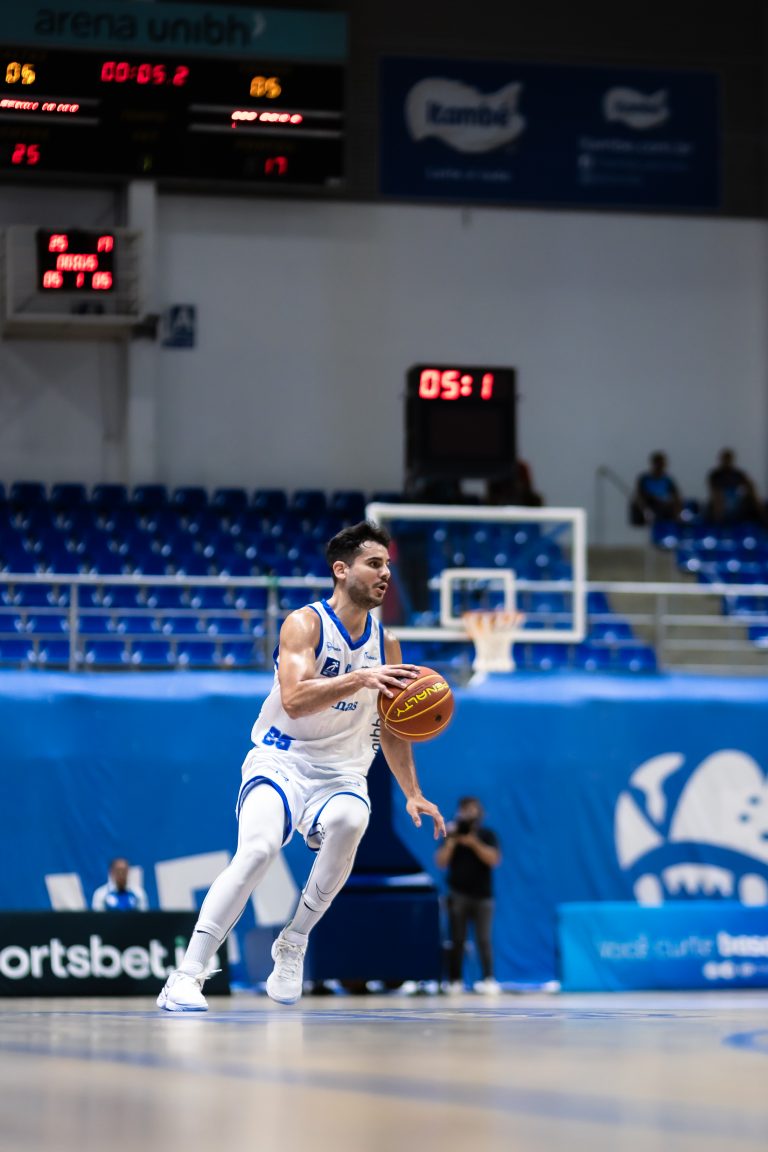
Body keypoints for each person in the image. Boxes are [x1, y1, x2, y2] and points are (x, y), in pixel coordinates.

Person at [157, 520, 446, 1012]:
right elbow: (293, 699)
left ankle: (293, 942)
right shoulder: (304, 624)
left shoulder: (388, 644)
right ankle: (187, 975)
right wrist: (361, 678)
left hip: (342, 771)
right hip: (281, 758)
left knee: (351, 819)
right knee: (257, 851)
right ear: (341, 570)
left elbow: (395, 729)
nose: (385, 574)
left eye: (388, 566)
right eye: (374, 563)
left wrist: (413, 792)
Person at [435, 796, 501, 995]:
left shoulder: (487, 835)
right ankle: (455, 980)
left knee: (484, 939)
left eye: (474, 810)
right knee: (457, 939)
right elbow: (441, 862)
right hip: (458, 894)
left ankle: (488, 979)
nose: (470, 814)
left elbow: (494, 860)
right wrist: (452, 841)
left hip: (483, 896)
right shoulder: (452, 834)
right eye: (466, 811)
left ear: (480, 813)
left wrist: (473, 843)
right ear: (459, 813)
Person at [707, 448, 766, 525]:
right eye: (725, 459)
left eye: (729, 459)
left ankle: (763, 521)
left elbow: (750, 486)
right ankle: (719, 524)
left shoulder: (738, 474)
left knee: (753, 499)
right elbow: (714, 491)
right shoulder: (716, 475)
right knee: (718, 499)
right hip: (721, 501)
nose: (727, 461)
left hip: (737, 501)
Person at [631, 451, 682, 524]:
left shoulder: (667, 479)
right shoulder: (645, 479)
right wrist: (645, 509)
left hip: (664, 505)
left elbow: (676, 495)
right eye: (658, 464)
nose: (660, 466)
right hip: (650, 504)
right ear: (654, 464)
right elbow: (639, 495)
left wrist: (677, 510)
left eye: (662, 464)